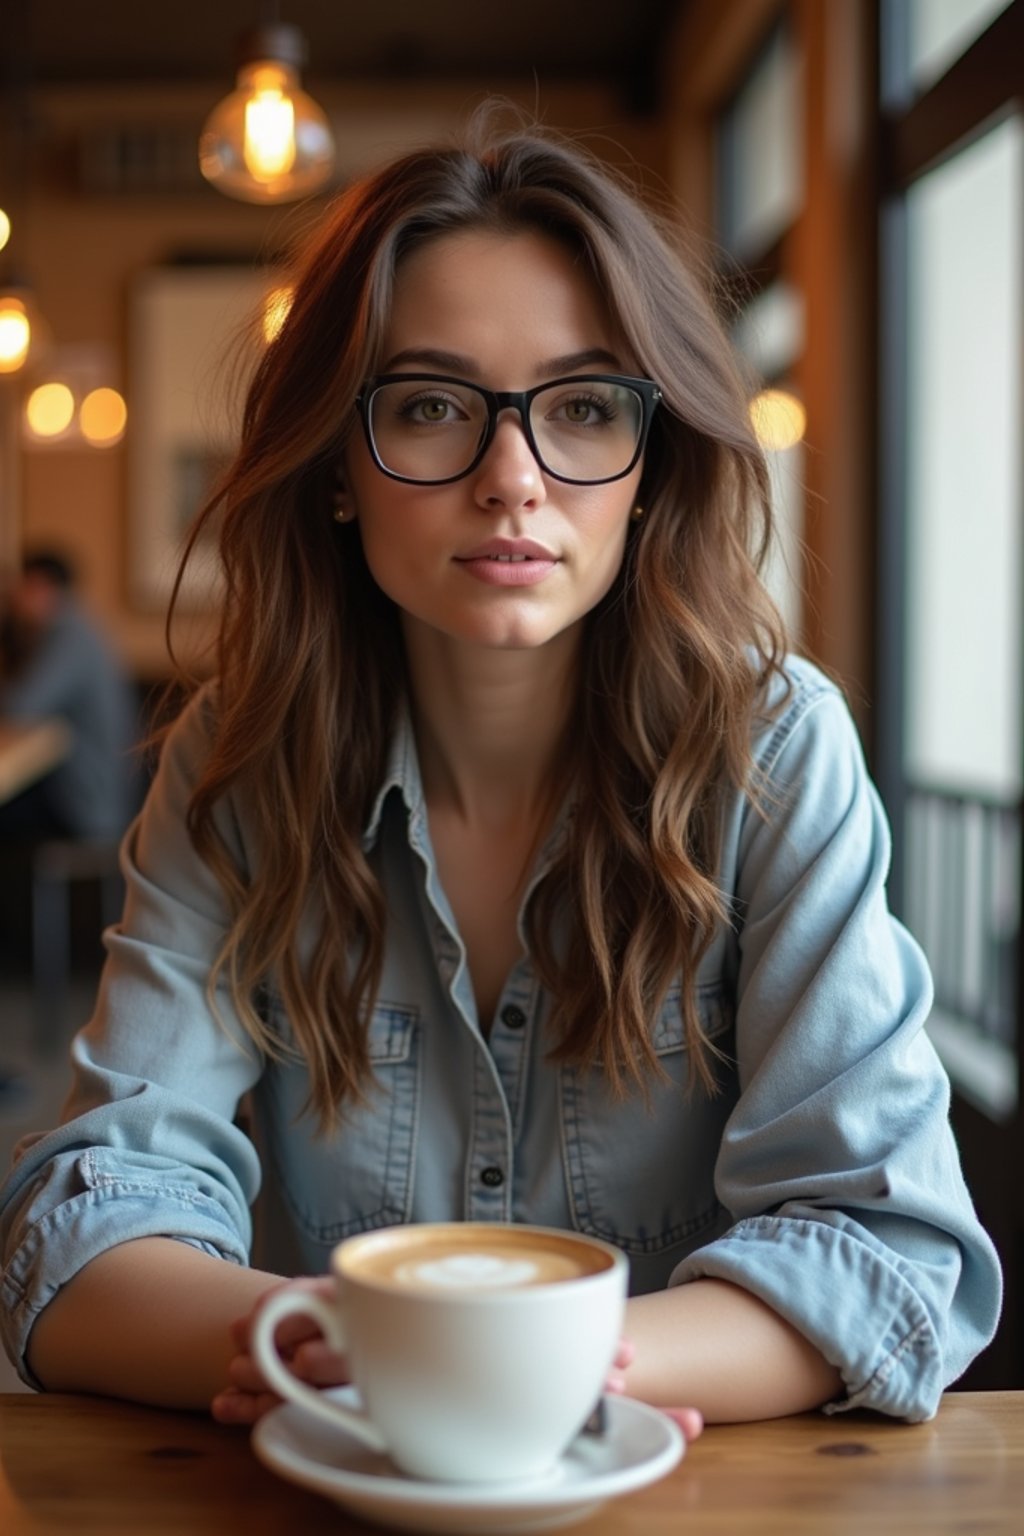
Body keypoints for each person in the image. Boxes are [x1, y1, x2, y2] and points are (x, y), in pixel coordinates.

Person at [0, 117, 1001, 1439]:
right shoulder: (240, 767)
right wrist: (313, 1345)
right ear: (342, 468)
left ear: (650, 467)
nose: (512, 479)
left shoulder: (771, 751)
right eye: (430, 407)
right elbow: (78, 1233)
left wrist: (515, 1370)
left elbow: (885, 1253)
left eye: (585, 407)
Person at [0, 550, 138, 844]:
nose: (13, 601)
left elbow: (21, 705)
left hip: (87, 799)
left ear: (39, 586)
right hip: (89, 789)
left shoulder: (69, 635)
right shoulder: (77, 629)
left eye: (19, 589)